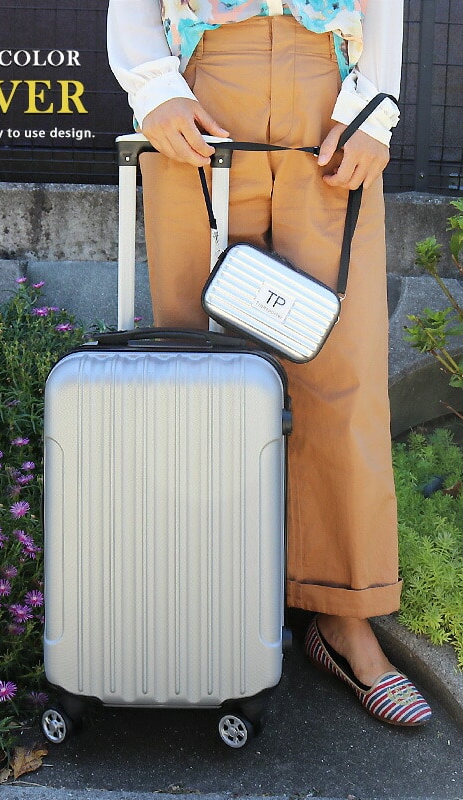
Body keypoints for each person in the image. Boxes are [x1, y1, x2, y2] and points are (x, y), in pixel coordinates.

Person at [107, 0, 432, 727]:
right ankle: (200, 607)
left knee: (342, 371)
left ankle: (343, 616)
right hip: (205, 82)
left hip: (328, 92)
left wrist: (374, 109)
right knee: (197, 368)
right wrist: (155, 87)